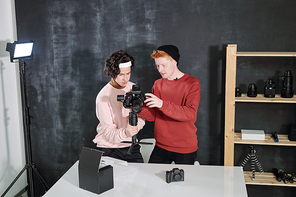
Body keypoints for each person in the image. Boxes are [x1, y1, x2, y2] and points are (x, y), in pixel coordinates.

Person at [139, 45, 200, 165]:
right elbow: (153, 116)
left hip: (185, 148)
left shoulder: (192, 83)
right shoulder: (158, 84)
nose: (160, 69)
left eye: (163, 65)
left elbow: (189, 114)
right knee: (153, 182)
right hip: (161, 146)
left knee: (183, 184)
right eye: (157, 65)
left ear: (174, 62)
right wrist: (138, 107)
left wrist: (162, 104)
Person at [93, 50, 145, 163]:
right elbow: (109, 132)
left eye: (128, 73)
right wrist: (126, 132)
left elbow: (142, 114)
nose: (125, 79)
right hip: (109, 148)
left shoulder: (133, 88)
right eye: (121, 74)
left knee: (139, 178)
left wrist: (135, 125)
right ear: (112, 73)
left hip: (131, 146)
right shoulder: (103, 96)